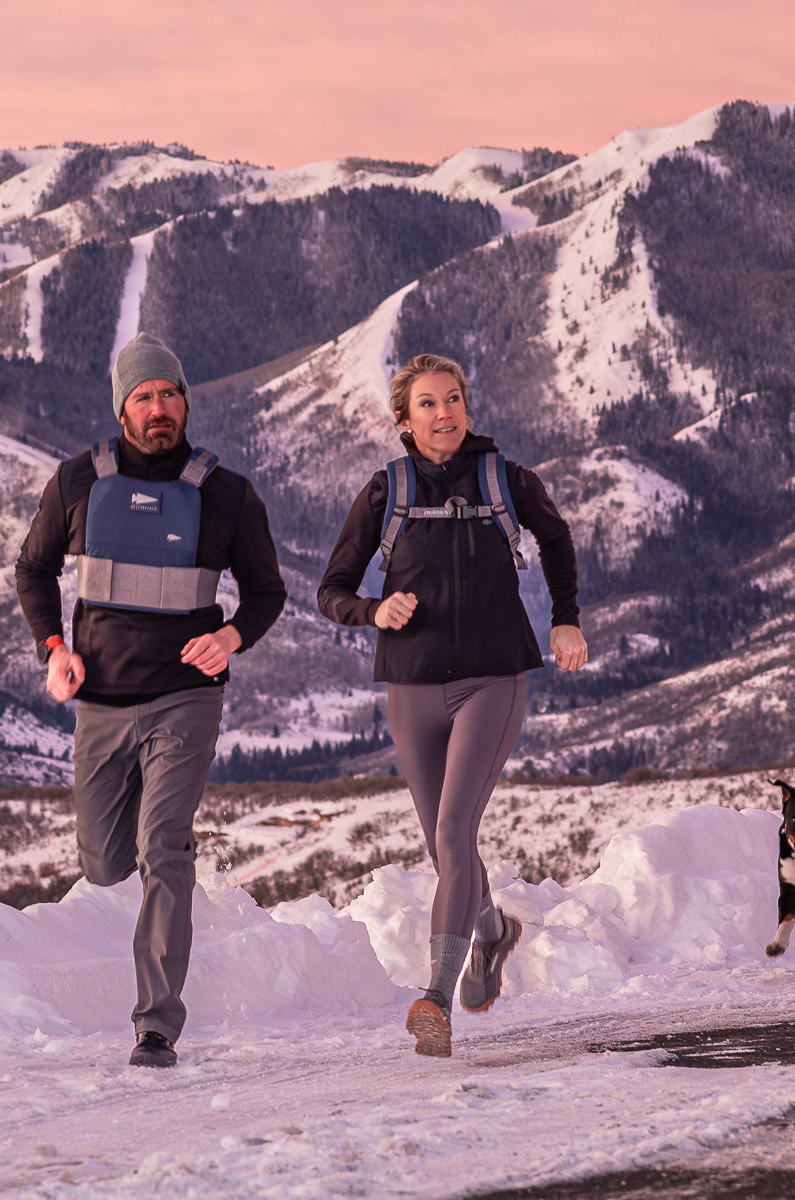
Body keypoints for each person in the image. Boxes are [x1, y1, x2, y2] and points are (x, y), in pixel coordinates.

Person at [15, 332, 286, 1068]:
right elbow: (33, 571)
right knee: (105, 863)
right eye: (144, 396)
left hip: (185, 697)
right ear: (122, 407)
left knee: (164, 843)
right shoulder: (77, 483)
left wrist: (230, 638)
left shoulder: (227, 494)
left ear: (185, 401)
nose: (160, 407)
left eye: (171, 393)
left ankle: (156, 1025)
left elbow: (267, 592)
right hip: (101, 701)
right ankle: (137, 849)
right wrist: (55, 649)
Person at [317, 352, 588, 1057]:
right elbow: (332, 590)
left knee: (453, 828)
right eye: (430, 404)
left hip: (494, 677)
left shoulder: (506, 480)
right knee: (447, 844)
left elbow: (556, 539)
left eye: (456, 399)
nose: (446, 413)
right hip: (410, 686)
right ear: (404, 422)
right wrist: (374, 611)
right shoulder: (387, 491)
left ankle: (435, 996)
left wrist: (566, 618)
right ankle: (492, 928)